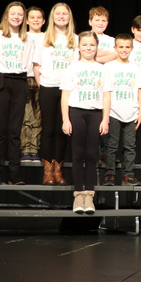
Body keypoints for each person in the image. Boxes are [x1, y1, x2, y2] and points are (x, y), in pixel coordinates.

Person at [60, 31, 109, 213]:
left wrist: (105, 119)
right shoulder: (73, 68)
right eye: (85, 45)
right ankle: (78, 195)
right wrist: (66, 119)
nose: (89, 48)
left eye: (92, 45)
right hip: (77, 113)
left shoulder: (103, 69)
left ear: (97, 47)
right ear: (79, 47)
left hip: (95, 114)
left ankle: (89, 196)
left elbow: (106, 95)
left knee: (91, 155)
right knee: (78, 154)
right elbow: (65, 95)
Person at [0, 1, 33, 185]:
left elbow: (29, 63)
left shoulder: (27, 38)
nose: (16, 17)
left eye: (20, 14)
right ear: (6, 16)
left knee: (15, 130)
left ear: (24, 18)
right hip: (2, 81)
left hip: (20, 81)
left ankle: (15, 171)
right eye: (13, 13)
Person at [33, 3, 77, 185]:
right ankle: (47, 171)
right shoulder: (43, 39)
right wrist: (42, 85)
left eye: (64, 14)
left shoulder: (74, 39)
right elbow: (36, 66)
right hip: (48, 87)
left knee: (62, 130)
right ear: (52, 17)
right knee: (49, 128)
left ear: (69, 17)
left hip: (68, 90)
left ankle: (58, 171)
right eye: (57, 13)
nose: (61, 16)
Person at [102, 32, 141, 187]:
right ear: (115, 48)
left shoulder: (136, 68)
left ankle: (128, 175)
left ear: (132, 48)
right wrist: (105, 115)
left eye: (127, 47)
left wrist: (140, 112)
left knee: (130, 146)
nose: (124, 50)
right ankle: (109, 175)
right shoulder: (108, 67)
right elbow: (105, 91)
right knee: (112, 145)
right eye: (121, 47)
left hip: (131, 112)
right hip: (114, 111)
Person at [20, 6, 45, 161]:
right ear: (27, 20)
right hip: (25, 78)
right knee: (26, 116)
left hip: (43, 79)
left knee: (39, 117)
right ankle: (25, 149)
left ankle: (34, 150)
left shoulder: (47, 37)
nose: (35, 20)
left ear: (43, 21)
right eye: (32, 17)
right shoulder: (23, 36)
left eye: (38, 17)